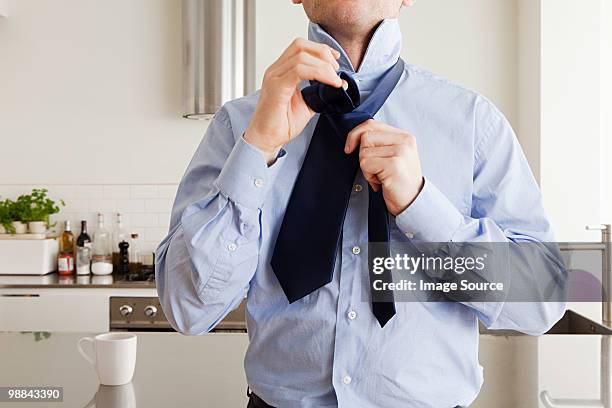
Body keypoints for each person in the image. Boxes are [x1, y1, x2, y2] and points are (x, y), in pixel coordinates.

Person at [156, 1, 566, 406]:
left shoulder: (474, 122)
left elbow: (542, 302)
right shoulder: (239, 126)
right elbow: (187, 309)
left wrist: (422, 206)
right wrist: (257, 148)